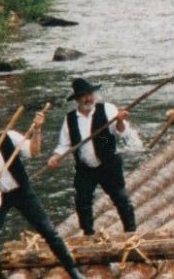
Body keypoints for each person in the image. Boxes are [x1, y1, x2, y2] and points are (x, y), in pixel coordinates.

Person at [0, 109, 84, 279]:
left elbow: (34, 151)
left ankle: (72, 269)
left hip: (22, 191)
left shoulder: (9, 137)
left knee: (48, 230)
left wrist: (37, 131)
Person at [47, 78, 140, 237]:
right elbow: (64, 145)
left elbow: (121, 132)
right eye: (83, 96)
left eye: (89, 94)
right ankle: (88, 233)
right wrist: (55, 157)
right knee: (82, 201)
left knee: (121, 198)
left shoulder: (107, 109)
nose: (88, 98)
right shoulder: (70, 119)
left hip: (108, 164)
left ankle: (130, 231)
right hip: (85, 168)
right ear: (77, 99)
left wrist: (119, 121)